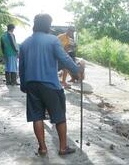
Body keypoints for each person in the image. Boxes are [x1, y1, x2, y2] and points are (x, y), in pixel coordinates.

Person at [19, 14, 83, 156]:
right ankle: (62, 147)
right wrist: (76, 70)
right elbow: (64, 58)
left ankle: (42, 148)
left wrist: (23, 85)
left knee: (37, 116)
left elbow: (21, 68)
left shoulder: (24, 44)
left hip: (31, 85)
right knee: (59, 116)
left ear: (35, 25)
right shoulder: (53, 40)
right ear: (47, 25)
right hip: (50, 85)